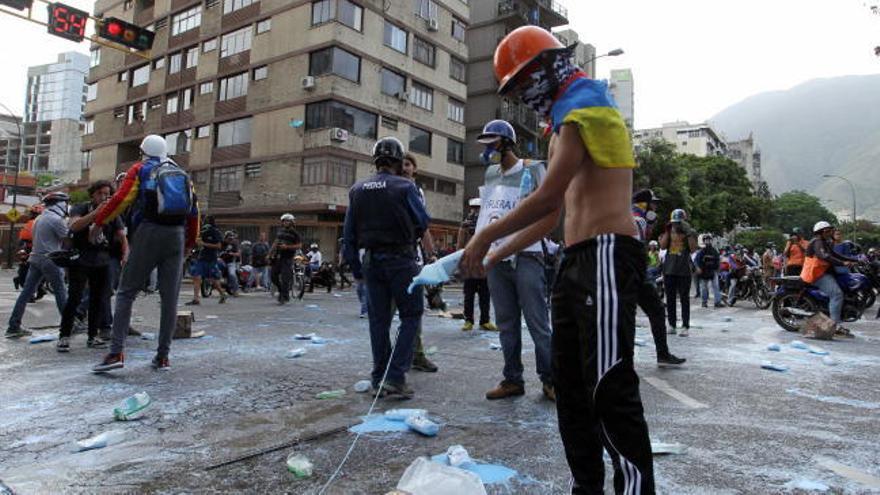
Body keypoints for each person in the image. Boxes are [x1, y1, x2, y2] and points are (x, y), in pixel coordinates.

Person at [459, 26, 655, 493]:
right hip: (577, 259)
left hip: (607, 255)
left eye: (524, 84)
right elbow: (552, 220)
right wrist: (496, 254)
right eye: (515, 90)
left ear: (549, 69)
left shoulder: (586, 103)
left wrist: (484, 236)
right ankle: (585, 487)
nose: (524, 97)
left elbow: (547, 198)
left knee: (608, 386)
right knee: (571, 390)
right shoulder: (563, 123)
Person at [92, 135, 199, 372]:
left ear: (144, 152)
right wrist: (190, 242)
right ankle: (163, 357)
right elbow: (194, 211)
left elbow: (121, 199)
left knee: (126, 292)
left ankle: (115, 353)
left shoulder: (141, 169)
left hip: (149, 232)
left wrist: (99, 222)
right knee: (169, 298)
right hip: (177, 236)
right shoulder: (180, 173)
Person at [468, 118, 555, 402]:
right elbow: (489, 213)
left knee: (537, 321)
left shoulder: (534, 169)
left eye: (492, 142)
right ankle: (512, 379)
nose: (488, 149)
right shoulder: (491, 173)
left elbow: (547, 212)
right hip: (496, 257)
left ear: (506, 142)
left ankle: (551, 380)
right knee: (506, 322)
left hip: (528, 254)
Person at [343, 137, 429, 398]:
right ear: (398, 160)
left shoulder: (357, 189)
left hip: (372, 262)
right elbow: (422, 221)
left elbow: (349, 236)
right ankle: (395, 377)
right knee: (411, 316)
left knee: (378, 322)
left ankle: (379, 376)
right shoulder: (404, 187)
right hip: (401, 260)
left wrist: (357, 271)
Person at [56, 181, 127, 352]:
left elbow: (121, 235)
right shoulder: (81, 208)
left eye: (107, 194)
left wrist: (125, 254)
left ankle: (92, 335)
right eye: (100, 193)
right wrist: (96, 213)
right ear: (93, 194)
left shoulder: (113, 213)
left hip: (102, 259)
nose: (104, 197)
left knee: (98, 298)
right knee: (75, 297)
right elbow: (74, 225)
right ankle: (64, 335)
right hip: (81, 258)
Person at [632, 189, 686, 366]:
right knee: (653, 310)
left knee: (649, 311)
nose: (655, 207)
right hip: (633, 273)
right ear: (644, 204)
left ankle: (660, 354)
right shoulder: (637, 219)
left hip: (634, 272)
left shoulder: (637, 218)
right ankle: (660, 355)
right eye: (652, 203)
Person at [5, 192, 70, 339]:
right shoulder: (56, 220)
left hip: (35, 259)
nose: (66, 206)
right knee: (60, 291)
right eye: (65, 203)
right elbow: (68, 240)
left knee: (26, 293)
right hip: (51, 259)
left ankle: (13, 326)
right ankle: (69, 324)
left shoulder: (39, 218)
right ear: (59, 204)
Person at [400, 152, 439, 373]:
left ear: (415, 169)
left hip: (411, 257)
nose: (404, 168)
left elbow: (422, 225)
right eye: (401, 164)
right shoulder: (392, 188)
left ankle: (416, 355)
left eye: (408, 164)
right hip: (393, 256)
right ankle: (393, 360)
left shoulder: (418, 192)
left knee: (414, 310)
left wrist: (431, 254)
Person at [802, 221, 858, 333]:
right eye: (827, 230)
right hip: (815, 274)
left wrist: (854, 259)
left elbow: (835, 254)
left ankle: (834, 314)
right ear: (821, 232)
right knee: (837, 294)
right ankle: (835, 326)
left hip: (823, 272)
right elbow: (824, 256)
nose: (830, 232)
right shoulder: (817, 242)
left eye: (830, 230)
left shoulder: (825, 242)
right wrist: (843, 263)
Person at [457, 198, 495, 332]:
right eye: (474, 208)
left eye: (478, 208)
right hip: (469, 264)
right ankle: (468, 320)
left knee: (485, 293)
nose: (476, 211)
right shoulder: (465, 226)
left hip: (484, 264)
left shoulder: (487, 224)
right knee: (469, 294)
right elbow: (460, 245)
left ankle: (485, 321)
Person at [660, 208, 698, 336]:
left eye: (678, 222)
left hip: (684, 270)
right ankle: (671, 324)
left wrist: (688, 233)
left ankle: (685, 326)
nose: (676, 225)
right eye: (674, 222)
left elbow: (693, 249)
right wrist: (667, 231)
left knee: (684, 299)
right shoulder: (669, 231)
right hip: (669, 269)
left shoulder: (691, 232)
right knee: (670, 299)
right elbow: (663, 246)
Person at [186, 215, 227, 305]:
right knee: (197, 276)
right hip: (202, 258)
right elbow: (199, 242)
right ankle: (196, 299)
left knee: (213, 280)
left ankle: (222, 294)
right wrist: (198, 243)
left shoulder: (216, 232)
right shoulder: (203, 232)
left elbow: (219, 246)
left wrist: (204, 244)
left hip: (211, 258)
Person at [270, 214, 302, 304]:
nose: (285, 223)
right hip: (278, 257)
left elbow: (299, 245)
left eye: (287, 221)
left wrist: (287, 247)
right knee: (273, 276)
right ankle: (281, 291)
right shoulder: (280, 232)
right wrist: (269, 254)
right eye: (284, 221)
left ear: (292, 222)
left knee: (285, 278)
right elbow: (275, 242)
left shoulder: (295, 233)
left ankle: (284, 296)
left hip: (288, 258)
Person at [694, 234, 723, 308]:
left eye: (709, 240)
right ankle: (704, 302)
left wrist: (718, 269)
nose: (708, 241)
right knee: (704, 288)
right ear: (704, 241)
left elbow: (718, 260)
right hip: (703, 272)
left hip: (713, 271)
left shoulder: (714, 251)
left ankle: (717, 302)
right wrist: (698, 268)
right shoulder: (701, 251)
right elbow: (696, 261)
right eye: (706, 240)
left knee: (716, 286)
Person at [221, 231, 241, 296]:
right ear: (225, 238)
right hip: (221, 261)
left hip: (231, 263)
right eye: (229, 238)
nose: (230, 240)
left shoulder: (234, 244)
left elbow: (238, 254)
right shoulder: (221, 244)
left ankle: (236, 290)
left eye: (231, 239)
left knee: (232, 274)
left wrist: (232, 253)